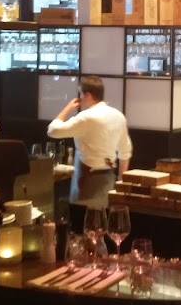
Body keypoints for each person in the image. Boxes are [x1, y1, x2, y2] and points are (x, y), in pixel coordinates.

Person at [47, 75, 132, 207]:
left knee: (83, 215)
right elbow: (125, 152)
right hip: (109, 176)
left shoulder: (86, 117)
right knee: (103, 215)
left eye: (81, 94)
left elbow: (53, 131)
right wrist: (121, 182)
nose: (80, 98)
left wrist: (68, 108)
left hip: (88, 178)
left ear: (87, 95)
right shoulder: (118, 116)